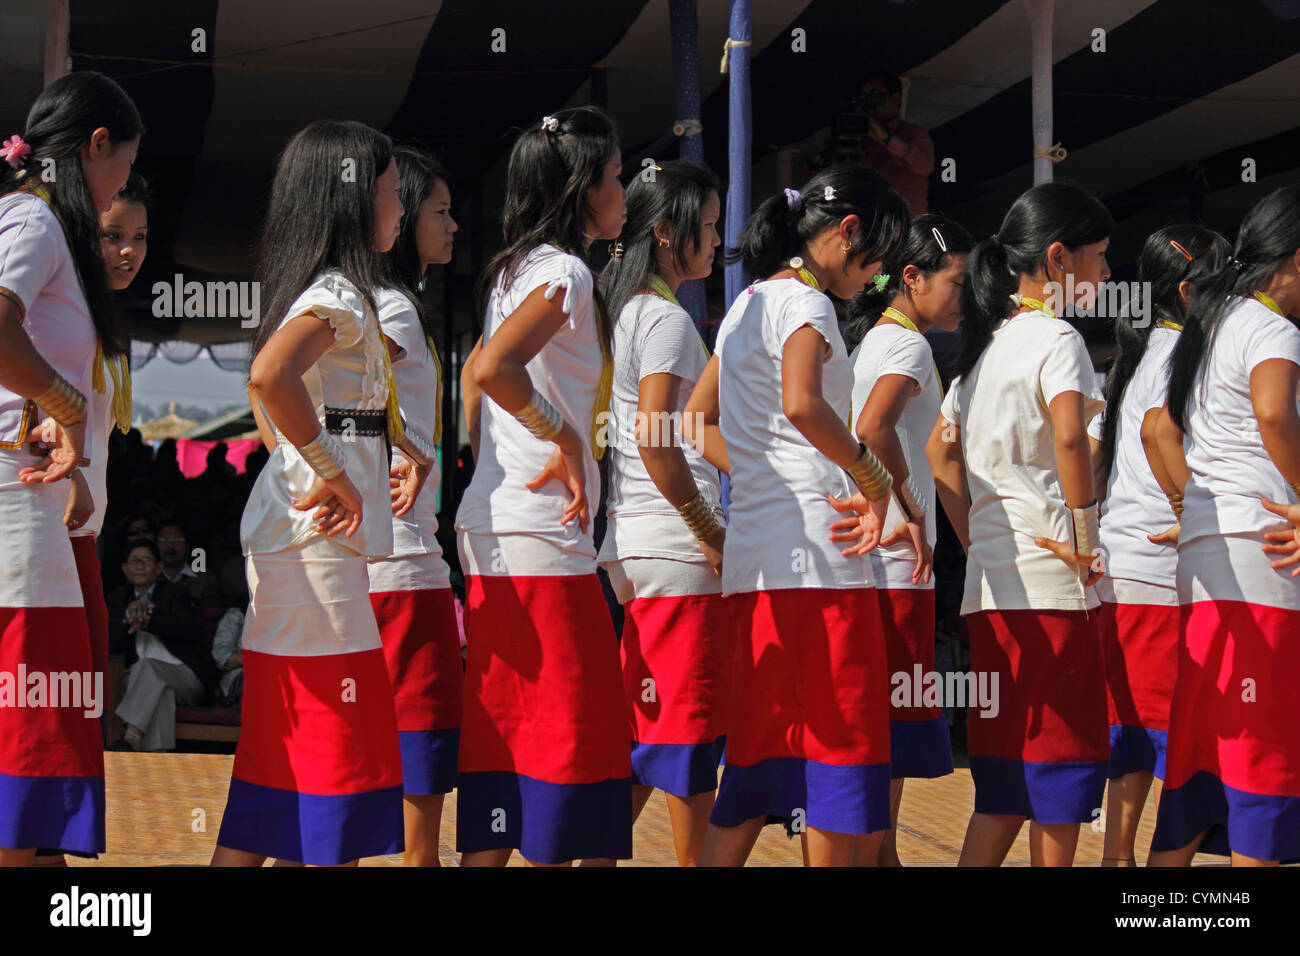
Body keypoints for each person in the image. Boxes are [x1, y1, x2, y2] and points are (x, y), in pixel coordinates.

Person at [683, 164, 908, 867]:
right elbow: (804, 404)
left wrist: (758, 471)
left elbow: (697, 421)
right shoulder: (807, 307)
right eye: (874, 261)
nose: (873, 279)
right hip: (823, 555)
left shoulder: (749, 302)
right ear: (846, 233)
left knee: (757, 760)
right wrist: (872, 481)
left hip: (756, 559)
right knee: (843, 753)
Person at [211, 119, 406, 867]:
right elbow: (269, 378)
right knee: (331, 751)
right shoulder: (340, 296)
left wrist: (321, 463)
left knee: (288, 758)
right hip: (315, 552)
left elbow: (272, 393)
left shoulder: (330, 292)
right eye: (391, 192)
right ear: (354, 201)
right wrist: (328, 468)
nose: (397, 204)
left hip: (306, 547)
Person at [454, 106, 629, 867]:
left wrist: (491, 459)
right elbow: (492, 369)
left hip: (497, 522)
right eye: (617, 176)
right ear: (582, 188)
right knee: (575, 731)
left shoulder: (511, 271)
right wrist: (558, 437)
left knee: (508, 725)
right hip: (538, 532)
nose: (625, 191)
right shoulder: (563, 272)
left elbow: (475, 376)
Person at [927, 181, 1114, 867]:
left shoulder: (984, 352)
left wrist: (978, 536)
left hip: (992, 593)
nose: (1107, 274)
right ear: (1059, 258)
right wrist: (1086, 542)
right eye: (1099, 257)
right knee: (1061, 775)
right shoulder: (1057, 338)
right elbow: (1071, 438)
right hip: (1053, 589)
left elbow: (937, 452)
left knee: (1005, 781)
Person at [0, 70, 141, 866]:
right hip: (18, 516)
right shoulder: (37, 221)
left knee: (47, 745)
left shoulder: (35, 223)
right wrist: (63, 406)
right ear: (94, 147)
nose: (123, 184)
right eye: (122, 164)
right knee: (29, 746)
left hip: (39, 513)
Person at [1148, 185, 1300, 866]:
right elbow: (1274, 415)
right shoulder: (1272, 327)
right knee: (1263, 745)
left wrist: (1191, 510)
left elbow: (1160, 428)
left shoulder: (1213, 321)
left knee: (1202, 748)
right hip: (1262, 550)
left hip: (1207, 552)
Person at [596, 159, 727, 866]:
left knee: (651, 729)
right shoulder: (667, 322)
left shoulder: (628, 313)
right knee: (684, 737)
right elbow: (655, 437)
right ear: (666, 233)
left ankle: (591, 855)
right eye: (706, 225)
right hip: (675, 548)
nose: (715, 239)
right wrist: (708, 529)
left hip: (637, 546)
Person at [1086, 225, 1228, 866]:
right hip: (1160, 571)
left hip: (1125, 567)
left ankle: (1121, 862)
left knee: (1135, 737)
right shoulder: (1185, 358)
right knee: (1183, 742)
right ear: (1188, 291)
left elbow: (1097, 450)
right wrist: (1188, 511)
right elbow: (1157, 435)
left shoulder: (1134, 358)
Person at [845, 213, 971, 865]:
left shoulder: (875, 341)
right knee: (896, 712)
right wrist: (911, 507)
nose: (964, 296)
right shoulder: (909, 347)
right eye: (957, 281)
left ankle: (880, 850)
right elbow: (872, 425)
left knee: (880, 714)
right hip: (896, 561)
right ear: (913, 278)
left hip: (876, 556)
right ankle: (881, 853)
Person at [366, 143, 462, 867]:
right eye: (437, 210)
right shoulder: (392, 307)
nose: (451, 224)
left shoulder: (376, 301)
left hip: (378, 560)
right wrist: (399, 455)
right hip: (401, 565)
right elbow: (299, 388)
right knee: (419, 762)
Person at [108, 540, 217, 751]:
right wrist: (128, 619)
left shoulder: (177, 593)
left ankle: (130, 737)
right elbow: (110, 644)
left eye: (146, 560)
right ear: (125, 568)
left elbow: (189, 630)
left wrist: (149, 620)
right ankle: (157, 760)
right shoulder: (117, 599)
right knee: (159, 692)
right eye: (134, 560)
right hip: (137, 681)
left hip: (184, 676)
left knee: (147, 667)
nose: (139, 565)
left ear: (159, 567)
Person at [859, 72, 934, 216]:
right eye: (865, 97)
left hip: (907, 225)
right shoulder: (863, 140)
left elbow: (925, 165)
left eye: (876, 95)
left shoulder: (913, 134)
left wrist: (887, 139)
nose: (870, 102)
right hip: (874, 224)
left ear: (895, 98)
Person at [155, 520, 221, 608]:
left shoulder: (205, 579)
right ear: (156, 545)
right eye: (164, 540)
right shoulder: (146, 577)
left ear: (187, 546)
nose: (170, 545)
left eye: (177, 540)